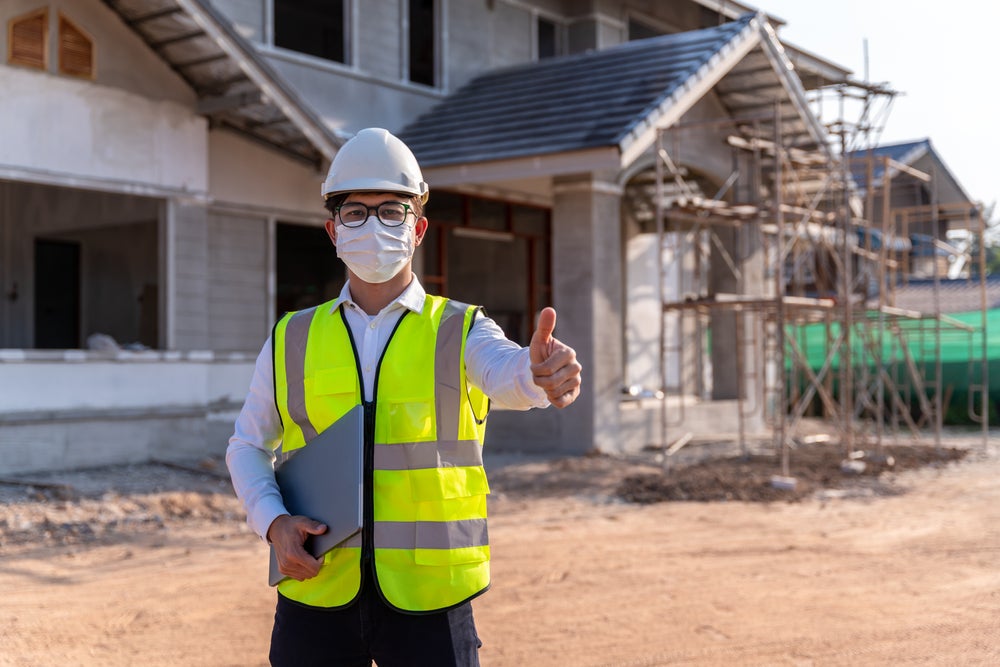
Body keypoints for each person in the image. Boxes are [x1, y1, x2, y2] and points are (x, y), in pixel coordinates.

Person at [226, 127, 582, 667]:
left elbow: (509, 372)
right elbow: (248, 445)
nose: (373, 226)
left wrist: (541, 375)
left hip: (430, 600)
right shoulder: (290, 336)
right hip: (318, 586)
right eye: (355, 212)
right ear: (332, 230)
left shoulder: (460, 329)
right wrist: (273, 524)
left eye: (391, 210)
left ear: (417, 228)